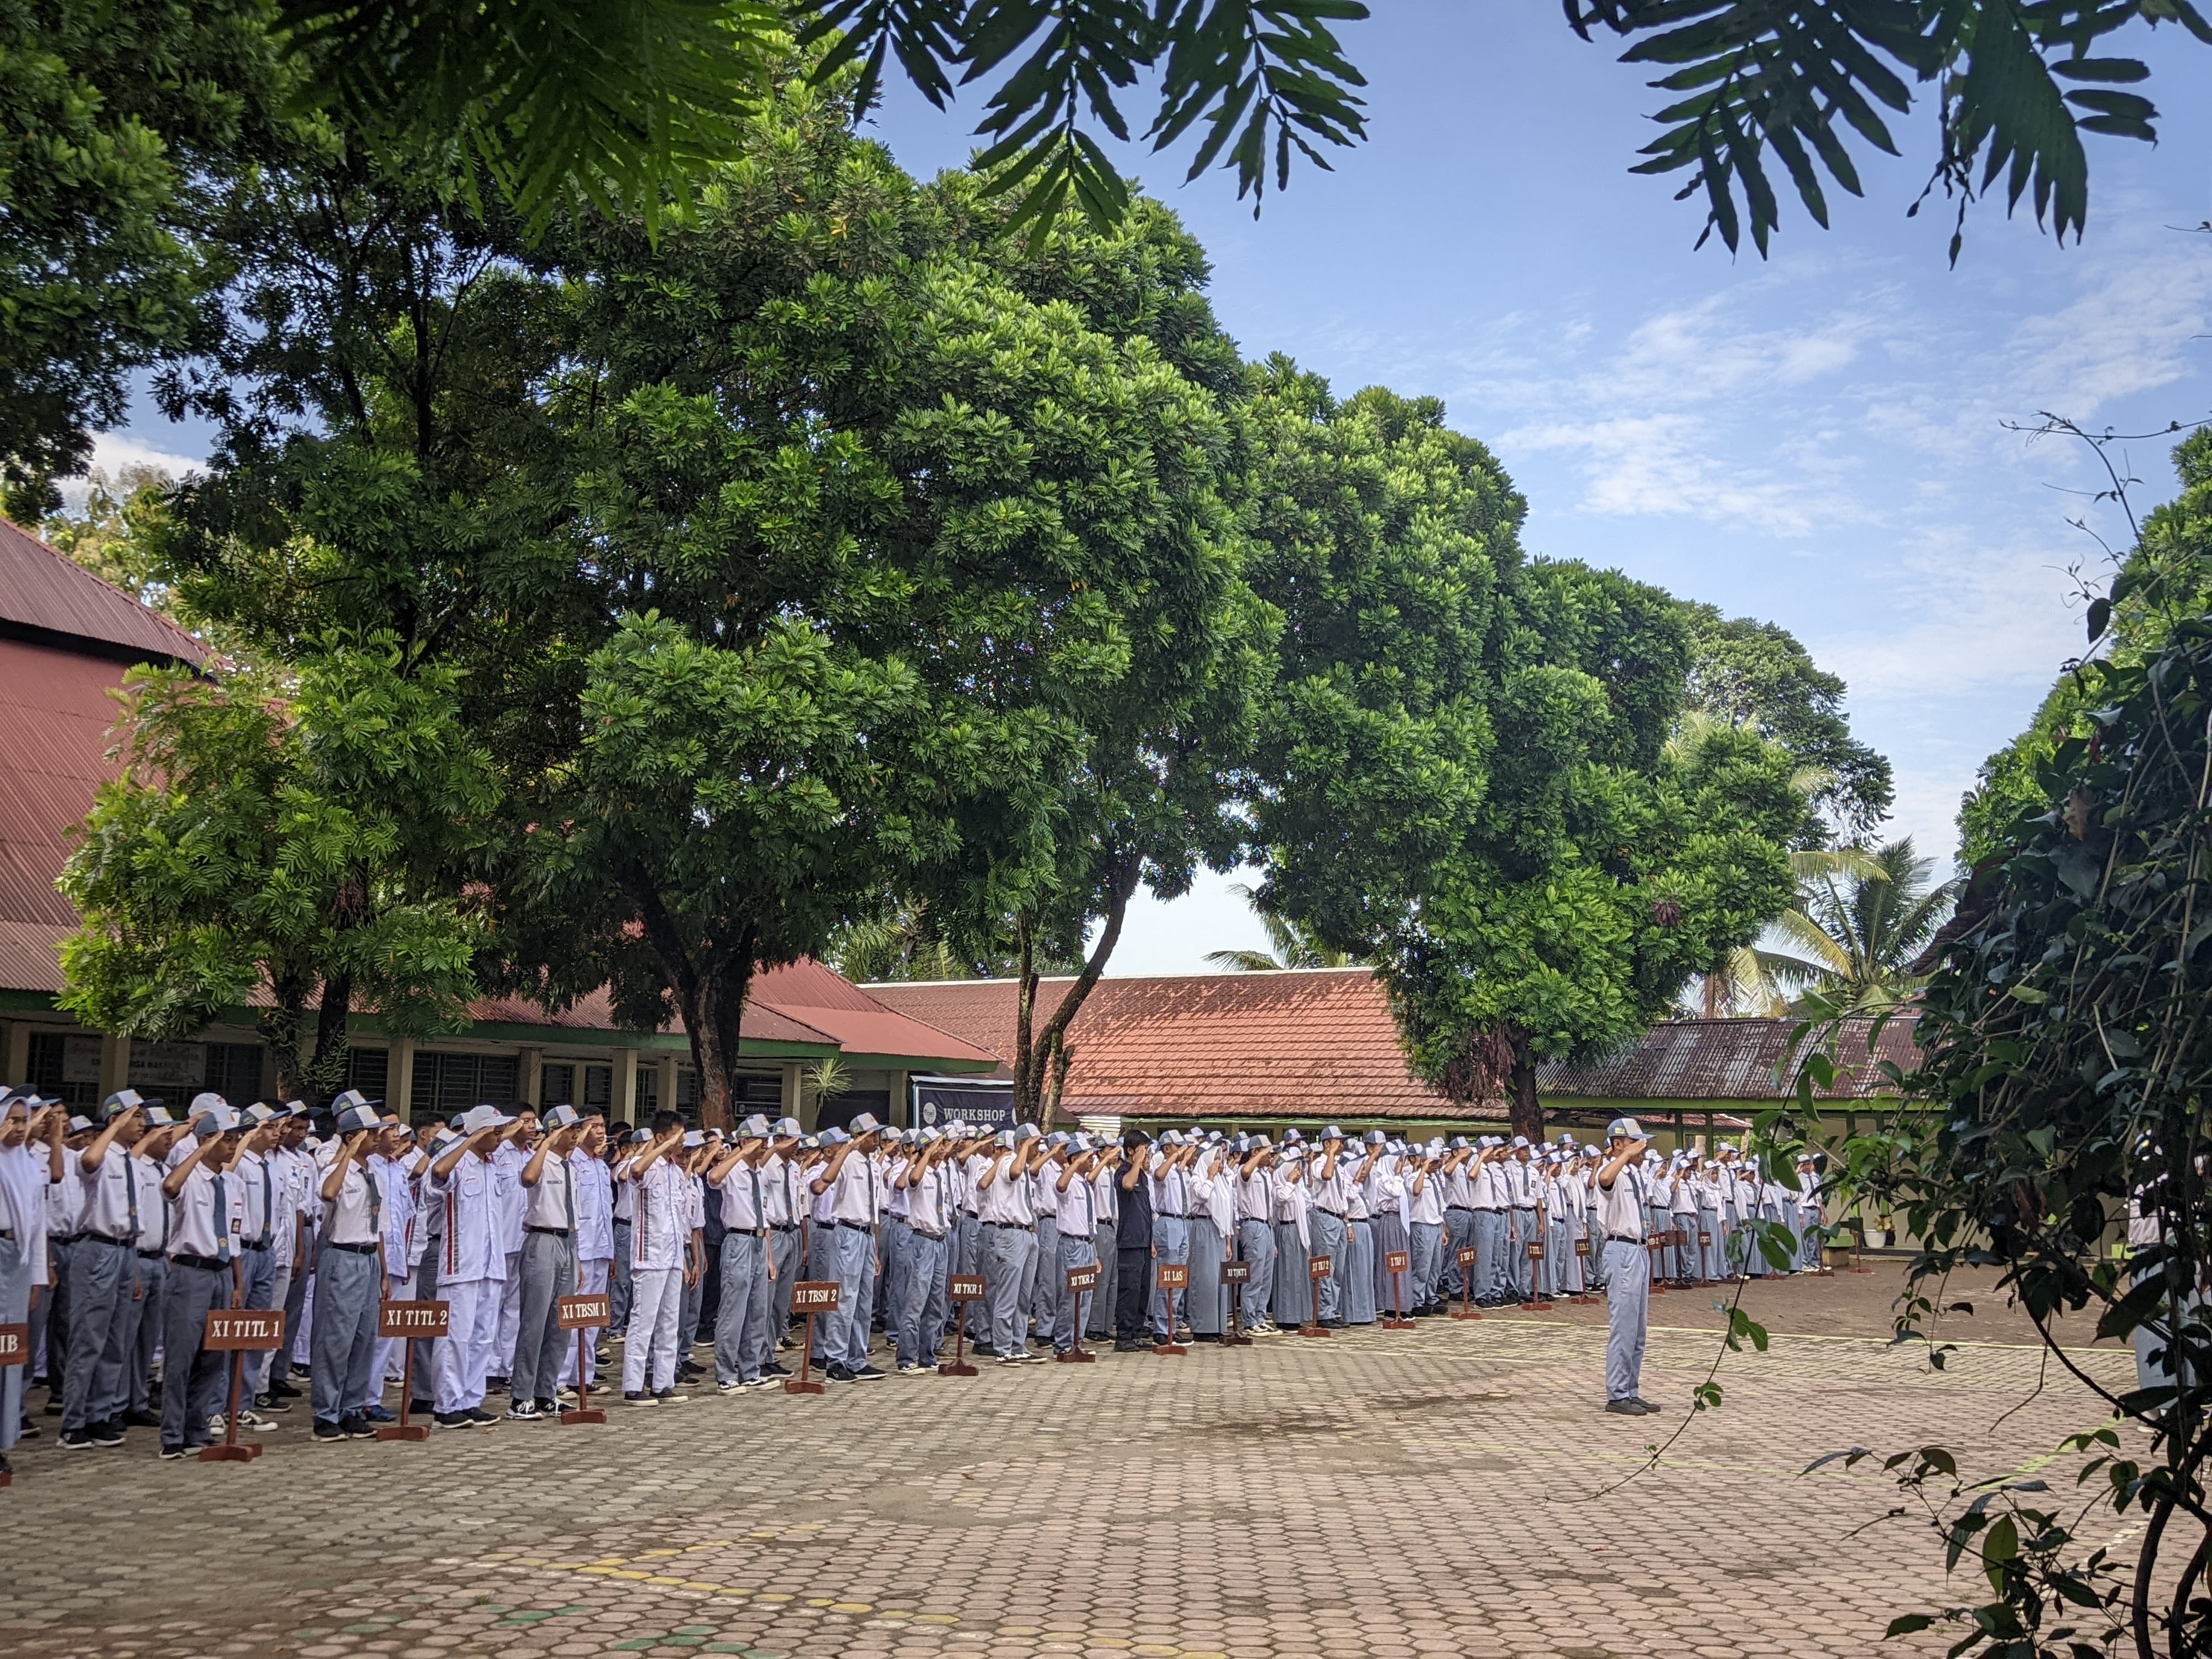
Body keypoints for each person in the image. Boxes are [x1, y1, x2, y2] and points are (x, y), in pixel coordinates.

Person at [59, 1089, 152, 1449]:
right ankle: (74, 1421)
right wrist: (111, 1129)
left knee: (117, 1338)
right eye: (136, 1118)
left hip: (127, 1250)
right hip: (97, 1249)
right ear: (116, 1120)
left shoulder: (132, 1161)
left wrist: (137, 1269)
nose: (143, 1125)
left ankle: (101, 1414)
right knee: (89, 1337)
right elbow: (89, 1164)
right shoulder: (98, 1154)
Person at [158, 1097, 248, 1458]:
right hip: (191, 1271)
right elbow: (169, 1188)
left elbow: (236, 1236)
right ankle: (172, 1434)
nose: (232, 1146)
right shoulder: (188, 1175)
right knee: (182, 1357)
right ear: (208, 1140)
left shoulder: (233, 1182)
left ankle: (198, 1427)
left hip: (222, 1273)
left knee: (214, 1357)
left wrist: (238, 1283)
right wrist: (201, 1149)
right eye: (227, 1140)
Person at [311, 1090, 388, 1442]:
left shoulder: (375, 1174)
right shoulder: (336, 1170)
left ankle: (353, 1408)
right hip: (342, 1256)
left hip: (368, 1258)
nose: (378, 1139)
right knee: (335, 1339)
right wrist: (348, 1154)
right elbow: (328, 1194)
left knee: (363, 1338)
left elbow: (379, 1227)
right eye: (371, 1134)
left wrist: (385, 1273)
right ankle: (325, 1413)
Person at [508, 1103, 585, 1420]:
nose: (577, 1135)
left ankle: (546, 1391)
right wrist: (546, 1145)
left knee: (560, 1323)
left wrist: (577, 1257)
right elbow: (528, 1178)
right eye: (572, 1129)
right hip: (542, 1239)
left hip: (567, 1241)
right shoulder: (540, 1161)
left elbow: (574, 1215)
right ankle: (521, 1396)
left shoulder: (572, 1167)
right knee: (535, 1321)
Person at [619, 1113, 696, 1405]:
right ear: (661, 1137)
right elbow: (636, 1171)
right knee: (643, 1321)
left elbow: (679, 1220)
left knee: (669, 1322)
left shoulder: (676, 1172)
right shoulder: (646, 1166)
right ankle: (633, 1385)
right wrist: (660, 1147)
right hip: (650, 1256)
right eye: (678, 1136)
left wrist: (685, 1260)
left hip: (674, 1256)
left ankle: (663, 1382)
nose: (683, 1143)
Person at [1594, 1116, 1660, 1415]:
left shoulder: (1634, 1175)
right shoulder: (1614, 1173)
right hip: (1621, 1249)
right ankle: (1617, 1393)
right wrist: (1624, 1156)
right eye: (1635, 1142)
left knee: (1638, 1328)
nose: (1642, 1147)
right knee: (1623, 1325)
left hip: (1639, 1250)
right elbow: (1605, 1179)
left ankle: (1631, 1389)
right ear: (1619, 1144)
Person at [706, 1115, 776, 1392]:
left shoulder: (761, 1173)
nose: (765, 1145)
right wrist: (741, 1152)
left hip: (759, 1240)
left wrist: (770, 1258)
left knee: (758, 1309)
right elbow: (713, 1177)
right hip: (738, 1240)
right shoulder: (733, 1170)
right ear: (746, 1141)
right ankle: (725, 1372)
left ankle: (751, 1369)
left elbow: (766, 1217)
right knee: (734, 1309)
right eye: (760, 1140)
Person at [1113, 1128, 1154, 1352]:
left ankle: (1136, 1332)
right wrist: (1137, 1162)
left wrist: (1152, 1240)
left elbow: (1146, 1209)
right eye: (1142, 1150)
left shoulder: (1143, 1176)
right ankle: (1124, 1335)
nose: (1146, 1154)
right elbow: (1127, 1186)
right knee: (1129, 1289)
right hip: (1129, 1241)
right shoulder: (1124, 1172)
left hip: (1144, 1240)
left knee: (1142, 1289)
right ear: (1130, 1151)